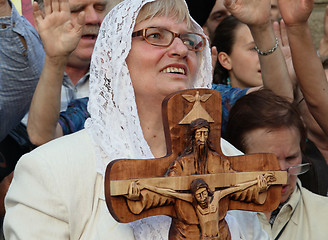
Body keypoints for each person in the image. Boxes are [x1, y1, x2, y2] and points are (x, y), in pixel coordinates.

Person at [4, 0, 269, 239]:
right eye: (155, 35)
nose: (180, 49)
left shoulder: (234, 162)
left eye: (189, 39)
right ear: (114, 55)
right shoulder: (50, 170)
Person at [226, 89, 328, 239]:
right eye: (268, 161)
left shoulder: (324, 216)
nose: (282, 172)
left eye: (291, 158)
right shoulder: (219, 218)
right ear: (237, 158)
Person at [26, 0, 120, 146]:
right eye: (76, 10)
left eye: (100, 8)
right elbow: (41, 137)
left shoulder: (128, 78)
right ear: (41, 19)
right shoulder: (19, 74)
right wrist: (56, 60)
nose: (93, 18)